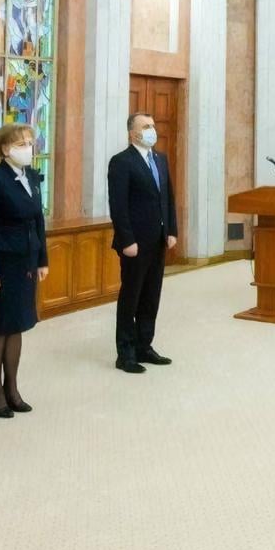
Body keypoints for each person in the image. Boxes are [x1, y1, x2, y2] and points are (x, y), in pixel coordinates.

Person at [0, 123, 49, 417]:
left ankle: (12, 389)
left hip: (25, 264)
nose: (28, 148)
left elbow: (38, 221)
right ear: (5, 149)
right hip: (1, 264)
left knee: (16, 324)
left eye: (30, 143)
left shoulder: (31, 176)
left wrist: (42, 259)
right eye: (21, 144)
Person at [108, 112, 178, 373]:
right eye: (146, 126)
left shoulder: (160, 159)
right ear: (132, 133)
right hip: (134, 243)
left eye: (153, 125)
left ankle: (144, 346)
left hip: (158, 240)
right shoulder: (121, 162)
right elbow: (118, 205)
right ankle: (125, 353)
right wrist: (127, 239)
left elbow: (168, 198)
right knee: (131, 296)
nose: (152, 130)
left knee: (151, 295)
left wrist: (172, 230)